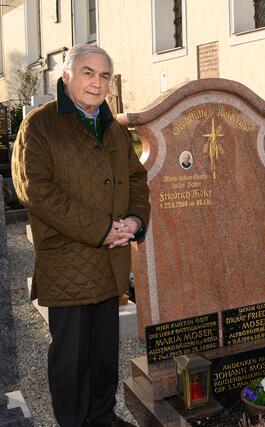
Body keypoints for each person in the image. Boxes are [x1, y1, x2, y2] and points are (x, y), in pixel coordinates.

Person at [11, 44, 150, 426]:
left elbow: (136, 177)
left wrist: (135, 220)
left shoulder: (113, 128)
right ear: (66, 77)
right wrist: (102, 229)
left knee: (105, 351)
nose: (97, 82)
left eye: (105, 75)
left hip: (110, 261)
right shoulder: (40, 124)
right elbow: (35, 190)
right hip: (69, 261)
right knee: (71, 358)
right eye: (88, 72)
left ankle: (102, 415)